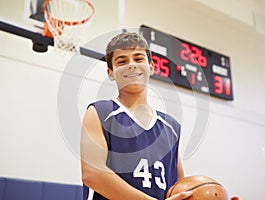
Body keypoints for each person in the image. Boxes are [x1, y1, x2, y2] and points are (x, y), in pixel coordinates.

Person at [80, 31, 192, 200]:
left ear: (151, 67)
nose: (131, 65)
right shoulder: (99, 112)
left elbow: (181, 189)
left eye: (138, 58)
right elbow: (92, 174)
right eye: (122, 61)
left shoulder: (172, 127)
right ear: (110, 72)